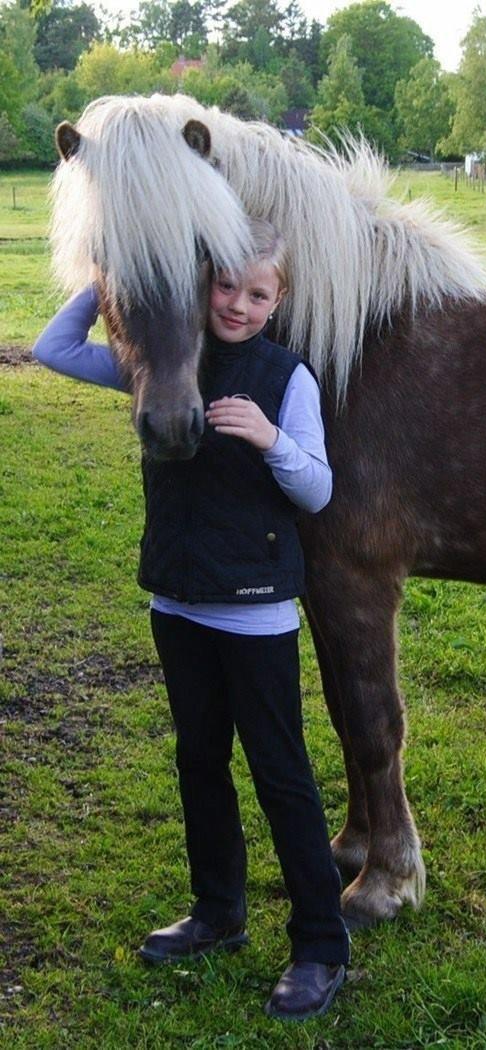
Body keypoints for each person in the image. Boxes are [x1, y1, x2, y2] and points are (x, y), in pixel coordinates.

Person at [32, 218, 349, 1021]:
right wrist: (116, 280)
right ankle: (219, 913)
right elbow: (52, 350)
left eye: (256, 293)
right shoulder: (160, 362)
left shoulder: (287, 377)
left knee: (282, 777)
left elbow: (316, 490)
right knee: (198, 763)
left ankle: (319, 944)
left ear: (277, 303)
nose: (236, 305)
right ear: (198, 284)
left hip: (254, 615)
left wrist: (271, 439)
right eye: (224, 286)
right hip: (176, 602)